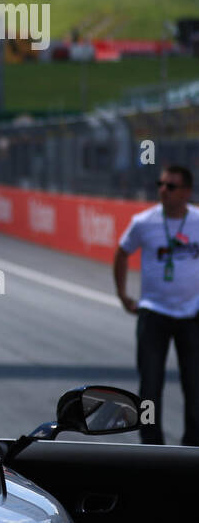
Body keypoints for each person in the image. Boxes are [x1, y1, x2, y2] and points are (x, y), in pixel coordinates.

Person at [113, 163, 199, 445]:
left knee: (195, 386)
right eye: (160, 185)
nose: (163, 190)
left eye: (171, 186)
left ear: (186, 192)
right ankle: (151, 445)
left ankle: (193, 447)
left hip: (192, 314)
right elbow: (122, 253)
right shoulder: (144, 222)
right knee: (150, 386)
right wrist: (123, 295)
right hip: (153, 314)